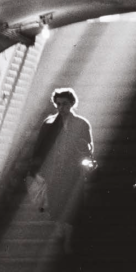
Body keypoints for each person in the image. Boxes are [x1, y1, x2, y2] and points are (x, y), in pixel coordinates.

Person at [27, 87, 95, 253]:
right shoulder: (49, 124)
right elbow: (40, 148)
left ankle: (67, 241)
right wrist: (38, 169)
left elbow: (89, 147)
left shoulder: (81, 123)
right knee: (56, 202)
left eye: (64, 104)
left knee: (73, 204)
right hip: (54, 171)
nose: (61, 108)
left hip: (74, 170)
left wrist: (84, 155)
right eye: (58, 104)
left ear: (72, 103)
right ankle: (61, 232)